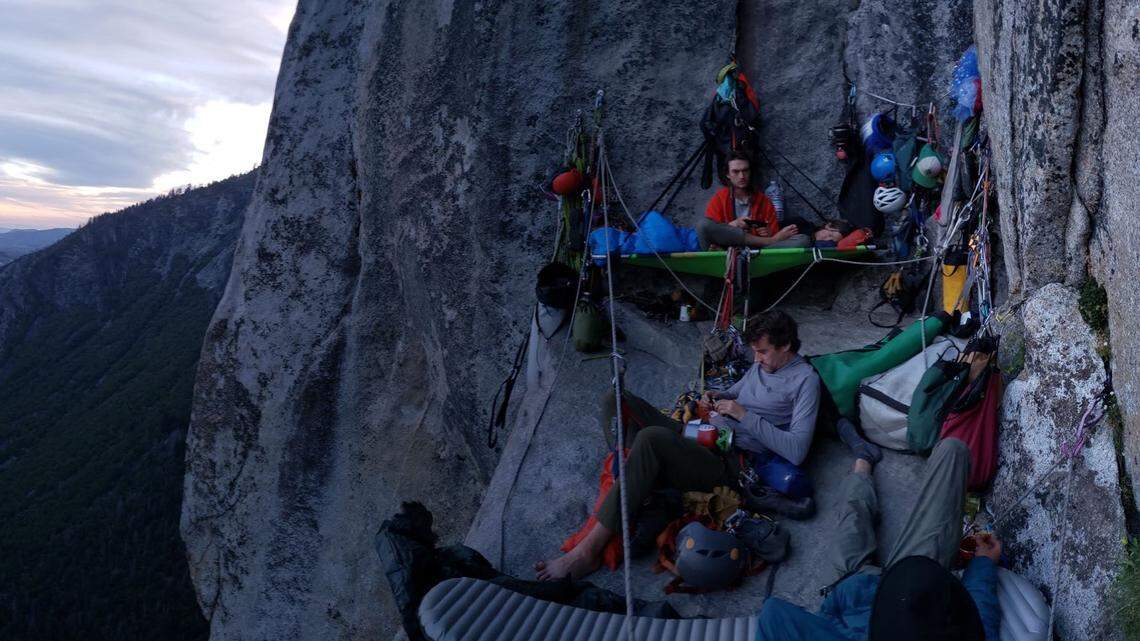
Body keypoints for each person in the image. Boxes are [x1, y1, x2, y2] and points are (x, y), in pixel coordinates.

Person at [535, 311, 820, 581]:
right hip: (704, 433)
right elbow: (738, 391)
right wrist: (715, 395)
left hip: (729, 460)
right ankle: (636, 480)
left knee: (651, 439)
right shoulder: (761, 365)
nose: (756, 359)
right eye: (754, 352)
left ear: (785, 346)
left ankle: (588, 550)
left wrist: (743, 414)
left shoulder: (805, 381)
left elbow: (797, 450)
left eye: (763, 352)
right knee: (616, 399)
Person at [754, 428, 1002, 640]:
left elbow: (773, 614)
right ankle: (862, 464)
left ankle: (862, 465)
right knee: (953, 451)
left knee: (853, 519)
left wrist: (830, 615)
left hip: (846, 592)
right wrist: (982, 564)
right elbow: (976, 622)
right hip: (911, 591)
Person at [698, 152, 811, 250]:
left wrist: (768, 233)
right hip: (727, 249)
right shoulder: (719, 199)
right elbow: (711, 231)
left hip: (757, 252)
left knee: (803, 240)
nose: (742, 176)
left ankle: (748, 257)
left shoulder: (764, 201)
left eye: (745, 171)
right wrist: (733, 225)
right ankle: (743, 255)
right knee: (703, 225)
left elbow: (773, 231)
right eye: (736, 172)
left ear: (750, 172)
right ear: (728, 174)